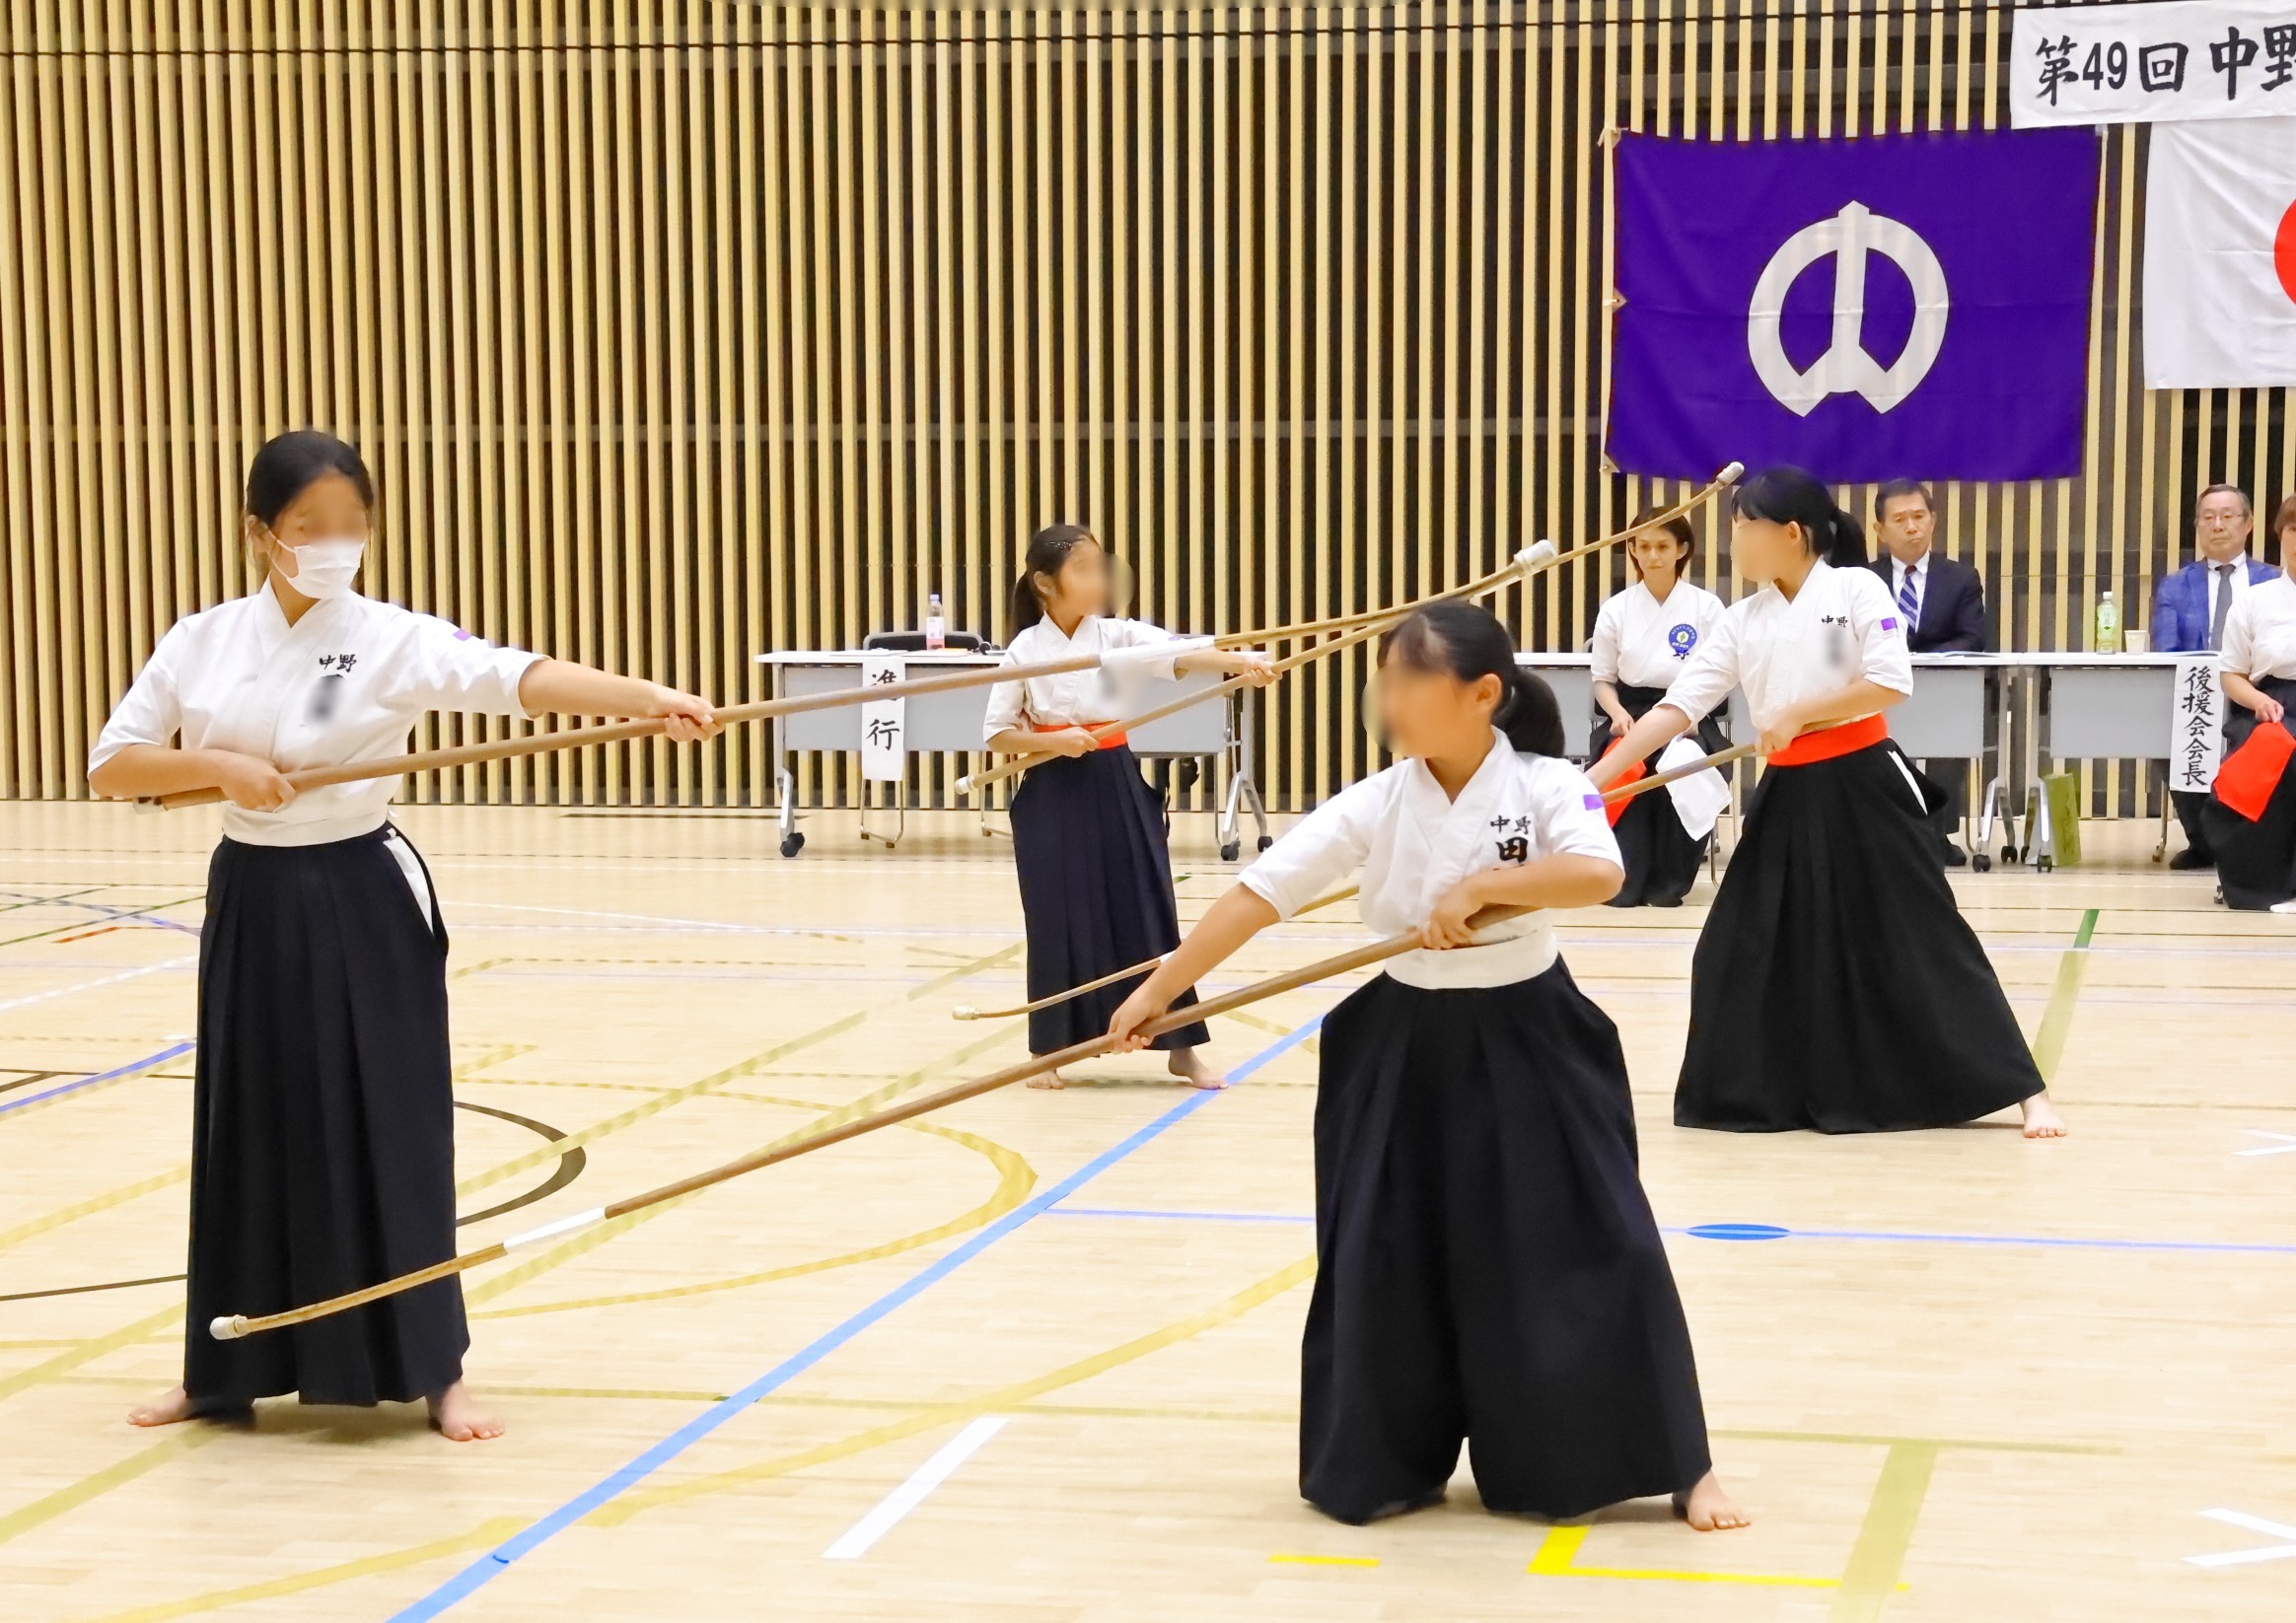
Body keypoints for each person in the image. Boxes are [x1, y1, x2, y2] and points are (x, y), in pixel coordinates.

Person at [88, 430, 723, 1440]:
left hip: (361, 894)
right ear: (261, 534)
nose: (336, 543)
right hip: (252, 893)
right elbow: (114, 764)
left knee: (395, 1119)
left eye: (353, 524)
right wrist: (216, 763)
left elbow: (520, 676)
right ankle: (222, 1369)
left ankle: (437, 1368)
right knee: (248, 1122)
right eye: (311, 527)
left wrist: (650, 701)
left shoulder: (389, 636)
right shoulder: (201, 638)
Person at [1106, 601, 1744, 1533]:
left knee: (1600, 1240)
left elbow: (1597, 871)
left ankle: (1681, 1465)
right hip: (1400, 1041)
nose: (1387, 698)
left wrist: (1487, 885)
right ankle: (1387, 1456)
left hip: (1532, 1033)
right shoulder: (1381, 798)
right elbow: (1262, 889)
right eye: (1385, 679)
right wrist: (1164, 990)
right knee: (1382, 1250)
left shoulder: (1544, 785)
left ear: (1482, 695)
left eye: (1406, 679)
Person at [1586, 466, 2066, 1140]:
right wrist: (1599, 779)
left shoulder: (1855, 588)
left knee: (1924, 936)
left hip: (1863, 784)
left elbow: (1888, 681)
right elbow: (1677, 706)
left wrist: (1802, 711)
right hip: (1787, 794)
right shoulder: (1741, 619)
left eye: (1743, 528)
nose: (1734, 544)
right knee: (1733, 946)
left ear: (1790, 533)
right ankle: (1751, 1096)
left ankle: (2025, 1091)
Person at [982, 524, 1275, 1089]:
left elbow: (1182, 652)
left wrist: (1242, 661)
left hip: (1115, 781)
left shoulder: (1116, 636)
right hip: (1050, 791)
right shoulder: (1025, 650)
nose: (1099, 579)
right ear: (1045, 583)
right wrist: (1053, 741)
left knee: (1148, 909)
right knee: (1056, 918)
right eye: (1083, 569)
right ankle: (1052, 1050)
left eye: (1101, 566)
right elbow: (996, 735)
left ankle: (1181, 1045)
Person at [1589, 507, 1728, 906]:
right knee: (1622, 766)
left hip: (1690, 713)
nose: (1652, 555)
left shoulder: (1706, 608)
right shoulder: (1616, 609)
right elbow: (1603, 679)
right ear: (1632, 549)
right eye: (1643, 546)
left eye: (1663, 546)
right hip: (1629, 713)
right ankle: (1624, 880)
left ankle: (1671, 882)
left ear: (1682, 549)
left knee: (1688, 765)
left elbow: (1720, 677)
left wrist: (1694, 716)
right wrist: (1616, 714)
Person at [2154, 484, 2279, 870]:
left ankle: (2255, 840)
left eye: (2228, 516)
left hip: (2259, 690)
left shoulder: (2274, 581)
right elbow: (2166, 648)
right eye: (2208, 517)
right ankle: (2203, 842)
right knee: (2169, 742)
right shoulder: (2176, 585)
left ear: (2248, 524)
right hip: (2196, 693)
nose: (2218, 525)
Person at [1866, 478, 1986, 866]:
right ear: (1880, 529)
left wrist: (1917, 659)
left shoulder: (1961, 578)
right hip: (1877, 691)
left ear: (1933, 521)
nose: (1912, 526)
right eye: (1899, 519)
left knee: (1951, 737)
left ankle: (1936, 833)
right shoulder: (1862, 580)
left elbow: (1973, 637)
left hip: (1942, 689)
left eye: (1919, 516)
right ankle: (1889, 833)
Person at [2200, 497, 2296, 911]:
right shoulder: (2257, 600)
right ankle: (2264, 884)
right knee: (2276, 759)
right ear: (2280, 535)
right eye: (2294, 529)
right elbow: (2231, 675)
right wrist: (2258, 701)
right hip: (2272, 704)